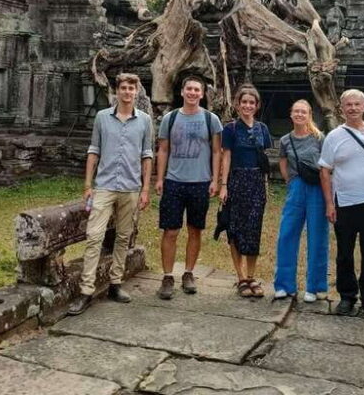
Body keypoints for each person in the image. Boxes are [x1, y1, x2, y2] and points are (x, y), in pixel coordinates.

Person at [68, 73, 154, 315]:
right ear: (117, 91)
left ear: (137, 92)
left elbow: (147, 155)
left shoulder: (145, 120)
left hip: (131, 187)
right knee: (94, 236)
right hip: (104, 185)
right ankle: (86, 290)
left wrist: (146, 189)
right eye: (123, 88)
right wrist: (88, 185)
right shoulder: (102, 117)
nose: (127, 92)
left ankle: (115, 283)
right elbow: (94, 150)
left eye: (131, 89)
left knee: (123, 237)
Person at [319, 89, 364, 319]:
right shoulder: (334, 136)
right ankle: (347, 296)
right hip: (345, 202)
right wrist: (329, 204)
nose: (353, 108)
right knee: (344, 253)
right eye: (348, 105)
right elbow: (325, 170)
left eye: (357, 104)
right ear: (341, 108)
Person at [155, 75, 223, 299]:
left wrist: (215, 180)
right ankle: (167, 276)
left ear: (202, 94)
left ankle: (188, 273)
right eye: (189, 89)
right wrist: (160, 178)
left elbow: (217, 151)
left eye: (197, 90)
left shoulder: (211, 119)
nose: (193, 93)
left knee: (195, 229)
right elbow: (163, 150)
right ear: (182, 92)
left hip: (200, 182)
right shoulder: (170, 118)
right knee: (170, 231)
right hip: (174, 181)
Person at [220, 84, 272, 298]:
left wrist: (265, 186)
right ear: (237, 104)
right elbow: (226, 157)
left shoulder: (263, 129)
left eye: (252, 102)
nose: (248, 106)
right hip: (236, 181)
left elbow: (264, 159)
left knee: (253, 229)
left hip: (256, 182)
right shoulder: (230, 129)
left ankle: (251, 276)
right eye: (244, 102)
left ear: (257, 106)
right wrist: (223, 185)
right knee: (235, 229)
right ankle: (241, 277)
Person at [273, 100, 329, 302]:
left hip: (317, 188)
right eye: (296, 111)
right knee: (287, 234)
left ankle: (315, 286)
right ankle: (284, 284)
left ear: (309, 115)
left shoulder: (319, 138)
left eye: (303, 112)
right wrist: (288, 180)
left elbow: (326, 166)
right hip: (296, 186)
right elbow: (282, 160)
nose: (299, 115)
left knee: (317, 236)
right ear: (291, 114)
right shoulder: (286, 140)